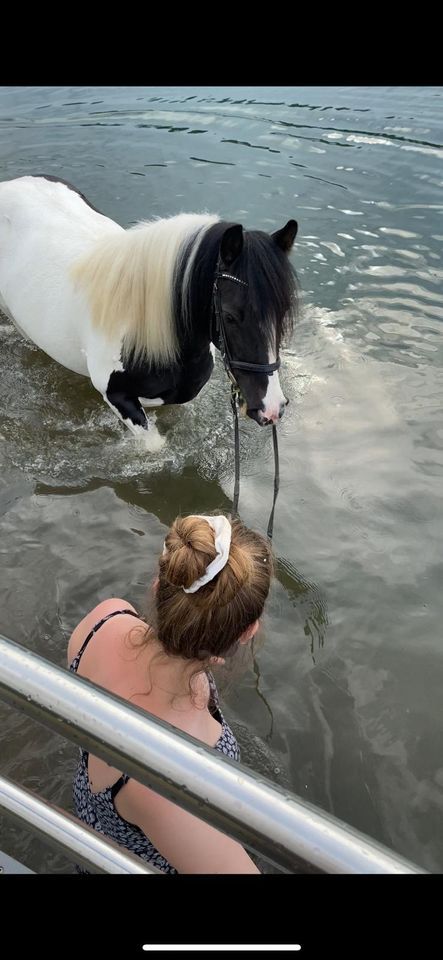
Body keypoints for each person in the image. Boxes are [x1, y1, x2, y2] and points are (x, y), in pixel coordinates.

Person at [67, 513, 273, 873]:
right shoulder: (170, 774)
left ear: (157, 587)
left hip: (92, 829)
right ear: (247, 632)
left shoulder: (104, 618)